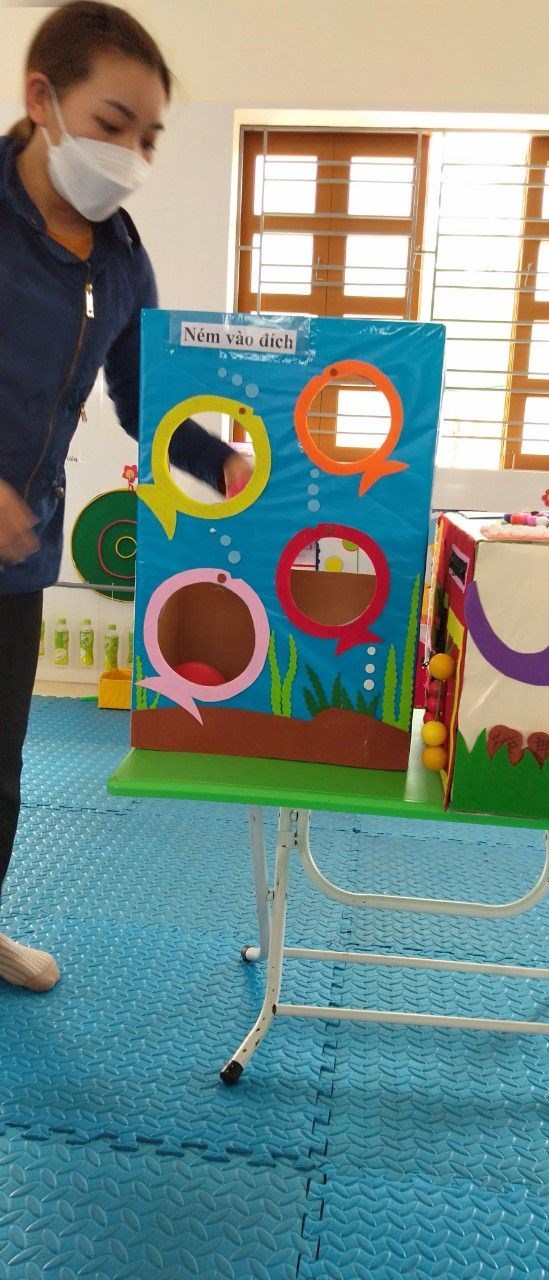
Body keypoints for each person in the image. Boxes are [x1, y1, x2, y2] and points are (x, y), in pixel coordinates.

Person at [0, 1, 251, 992]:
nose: (132, 156)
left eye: (147, 137)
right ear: (42, 100)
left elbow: (149, 396)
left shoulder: (119, 257)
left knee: (2, 770)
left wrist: (226, 467)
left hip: (19, 556)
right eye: (113, 124)